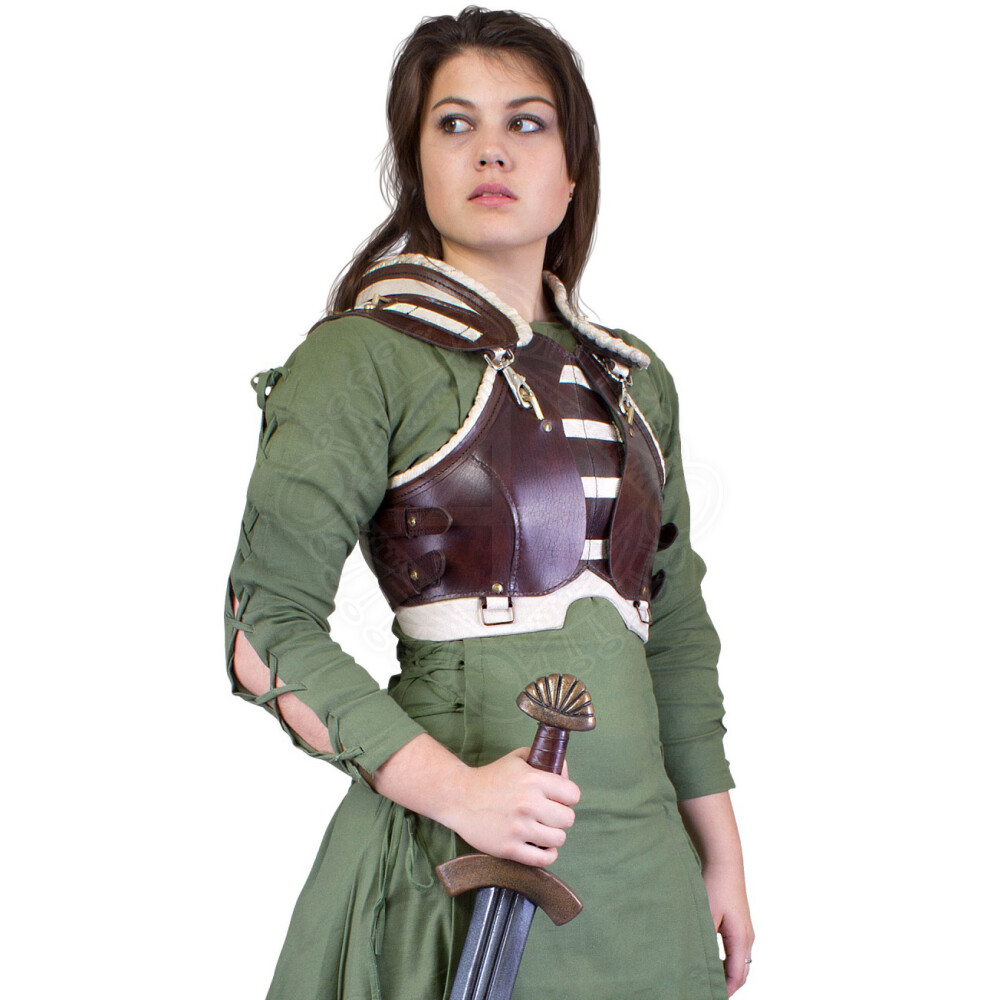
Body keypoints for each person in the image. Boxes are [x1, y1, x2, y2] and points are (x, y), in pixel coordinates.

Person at [224, 6, 754, 998]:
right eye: (454, 123)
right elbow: (266, 627)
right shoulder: (362, 358)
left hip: (646, 879)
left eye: (527, 123)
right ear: (416, 163)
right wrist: (458, 791)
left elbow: (675, 631)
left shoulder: (635, 380)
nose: (491, 151)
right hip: (447, 870)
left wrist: (720, 853)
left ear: (573, 170)